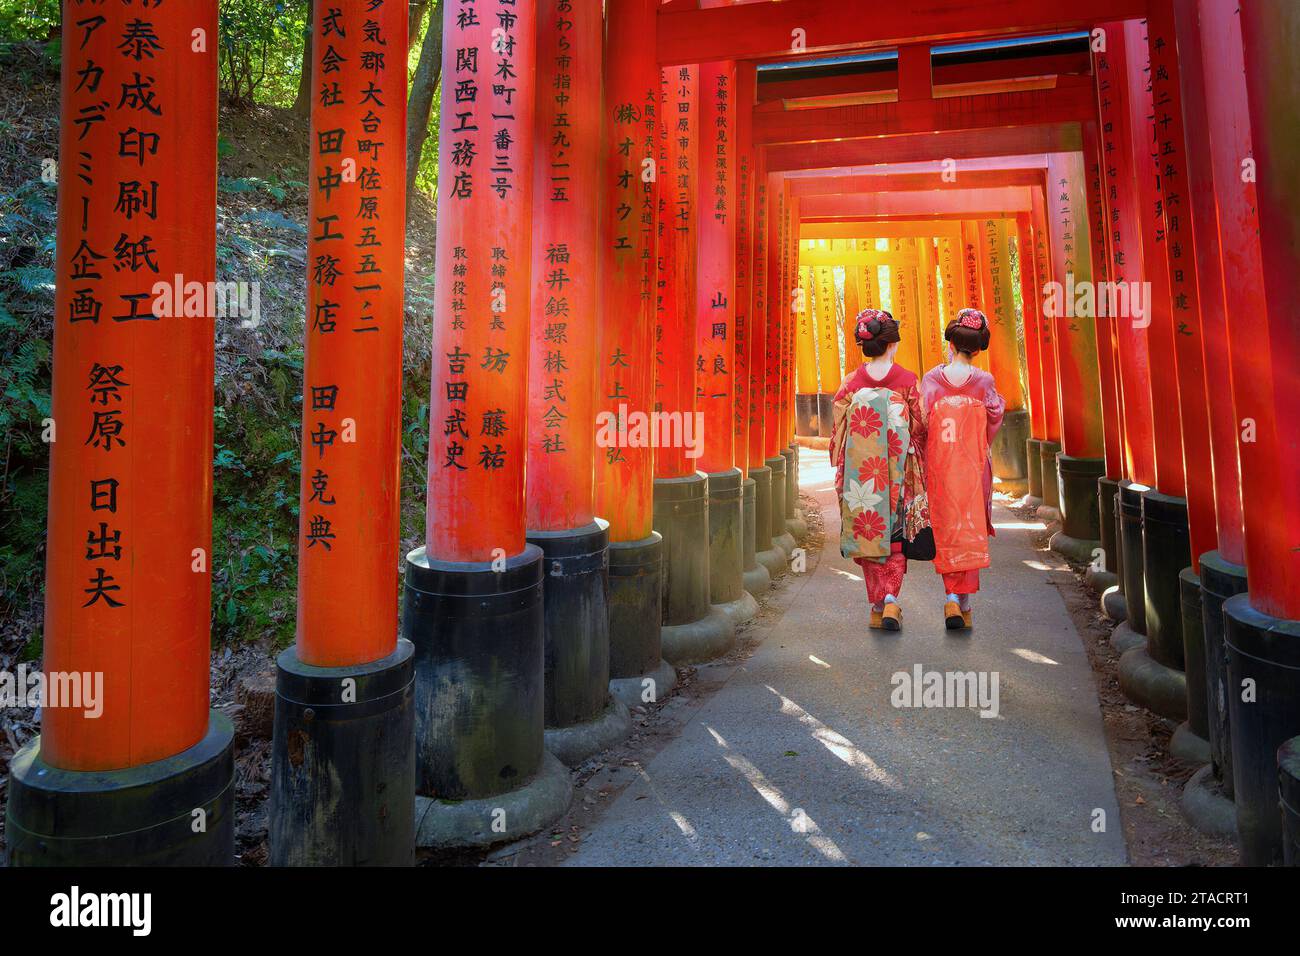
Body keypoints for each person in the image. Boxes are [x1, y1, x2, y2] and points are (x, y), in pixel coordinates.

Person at [831, 309, 926, 631]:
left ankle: (877, 603)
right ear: (891, 345)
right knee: (895, 535)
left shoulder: (851, 384)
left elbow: (839, 430)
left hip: (862, 474)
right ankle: (891, 601)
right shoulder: (908, 380)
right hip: (898, 472)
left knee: (868, 532)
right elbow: (921, 425)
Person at [920, 308, 1006, 630]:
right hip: (972, 467)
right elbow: (994, 418)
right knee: (970, 525)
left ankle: (953, 597)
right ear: (978, 347)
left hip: (941, 467)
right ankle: (961, 600)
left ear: (950, 344)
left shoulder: (931, 380)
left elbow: (923, 422)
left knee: (946, 526)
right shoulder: (984, 382)